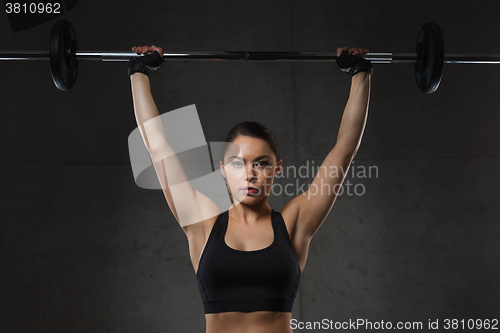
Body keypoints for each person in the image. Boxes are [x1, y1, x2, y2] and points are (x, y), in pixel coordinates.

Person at [128, 44, 372, 333]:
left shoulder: (294, 223)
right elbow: (158, 148)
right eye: (237, 163)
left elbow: (344, 150)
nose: (250, 175)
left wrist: (361, 74)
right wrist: (138, 72)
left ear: (277, 169)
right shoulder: (202, 222)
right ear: (222, 168)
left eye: (261, 163)